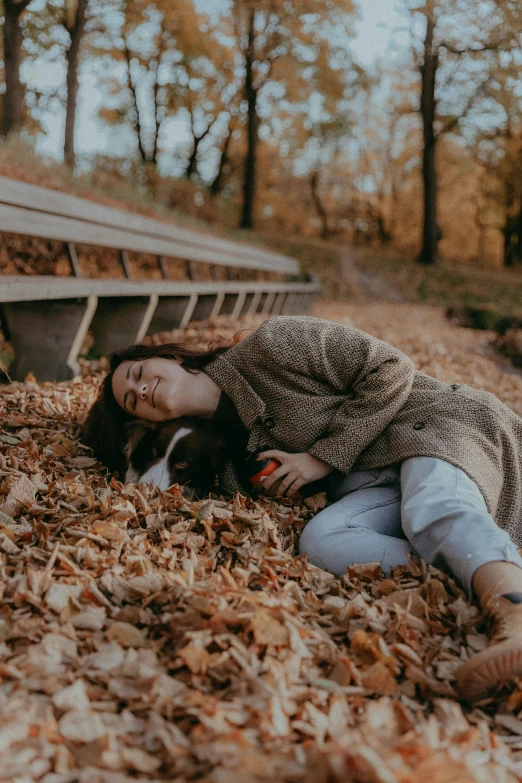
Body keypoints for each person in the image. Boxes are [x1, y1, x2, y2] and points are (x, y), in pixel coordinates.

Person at [84, 315, 522, 702]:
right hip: (378, 482)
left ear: (174, 357)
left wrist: (322, 458)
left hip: (434, 427)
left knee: (433, 505)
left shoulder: (274, 343)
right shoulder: (223, 453)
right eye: (133, 399)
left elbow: (391, 368)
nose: (141, 388)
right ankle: (489, 571)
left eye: (139, 372)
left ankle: (513, 610)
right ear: (151, 421)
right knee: (321, 541)